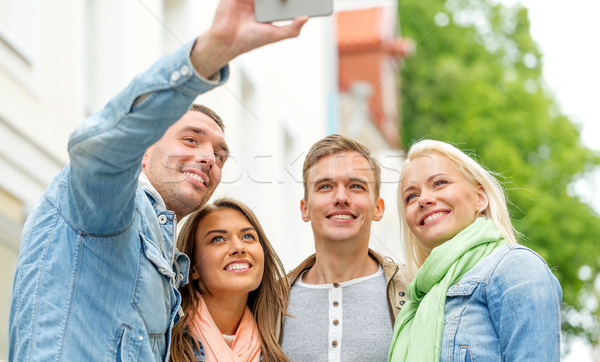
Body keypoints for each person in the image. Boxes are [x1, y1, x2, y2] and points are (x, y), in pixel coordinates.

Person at [9, 0, 307, 362]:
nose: (208, 158)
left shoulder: (167, 259)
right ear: (143, 148)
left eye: (220, 155)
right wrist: (210, 53)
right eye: (190, 139)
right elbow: (99, 147)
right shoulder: (109, 205)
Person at [388, 139, 562, 361]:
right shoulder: (415, 301)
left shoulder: (516, 268)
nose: (423, 199)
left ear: (480, 199)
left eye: (439, 183)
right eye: (411, 196)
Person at [281, 134, 411, 362]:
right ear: (305, 209)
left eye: (356, 186)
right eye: (325, 186)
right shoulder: (270, 302)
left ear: (378, 208)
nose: (341, 197)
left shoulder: (413, 292)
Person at [171, 198, 288, 362]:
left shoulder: (282, 342)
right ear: (192, 268)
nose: (239, 247)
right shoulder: (163, 342)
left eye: (247, 236)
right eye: (218, 239)